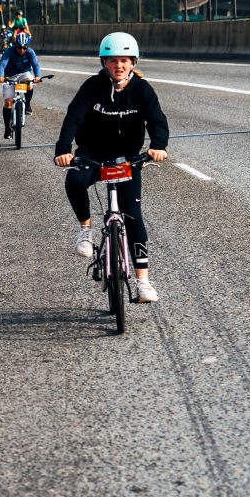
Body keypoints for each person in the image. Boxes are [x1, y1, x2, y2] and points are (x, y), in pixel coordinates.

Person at [54, 32, 169, 303]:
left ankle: (143, 282)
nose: (119, 65)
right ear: (104, 62)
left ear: (133, 63)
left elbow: (157, 121)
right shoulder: (92, 87)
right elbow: (73, 118)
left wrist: (158, 146)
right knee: (74, 181)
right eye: (113, 60)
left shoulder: (142, 89)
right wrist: (63, 150)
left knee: (133, 217)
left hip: (127, 158)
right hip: (93, 154)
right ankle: (85, 229)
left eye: (125, 60)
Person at [0, 32, 42, 139]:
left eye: (24, 48)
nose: (22, 50)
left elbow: (35, 65)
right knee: (8, 102)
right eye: (19, 47)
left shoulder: (30, 52)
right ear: (16, 45)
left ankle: (28, 104)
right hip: (10, 76)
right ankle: (7, 129)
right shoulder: (9, 51)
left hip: (24, 74)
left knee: (30, 83)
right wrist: (0, 76)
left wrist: (37, 76)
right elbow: (2, 64)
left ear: (27, 46)